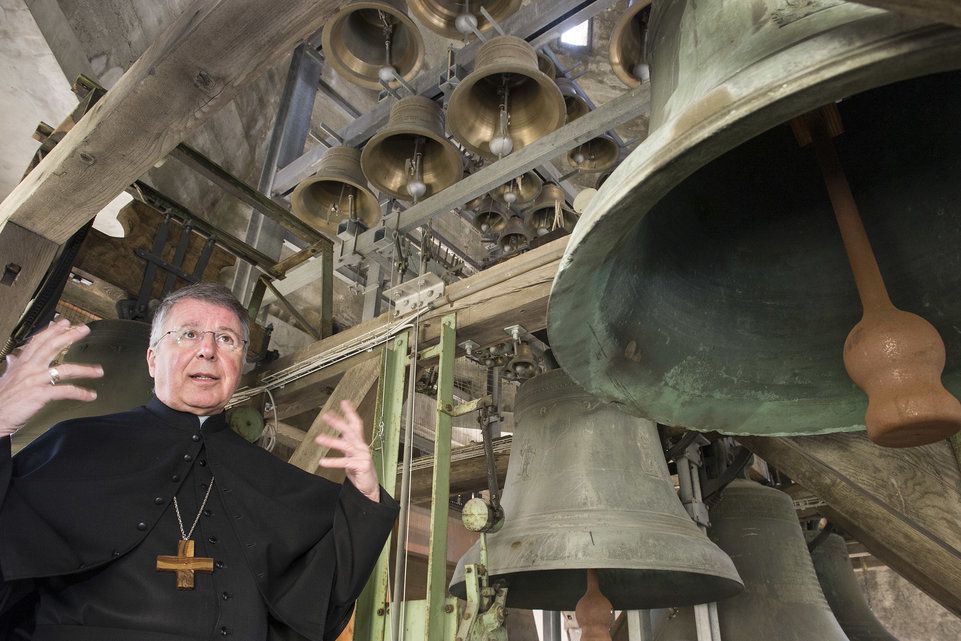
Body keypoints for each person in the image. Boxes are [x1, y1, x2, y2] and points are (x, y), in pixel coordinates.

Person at [0, 282, 399, 641]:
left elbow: (321, 602)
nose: (208, 350)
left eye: (226, 339)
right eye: (188, 334)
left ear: (240, 365)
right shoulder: (75, 446)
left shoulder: (273, 479)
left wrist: (365, 496)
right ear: (152, 359)